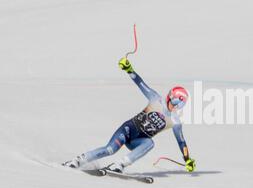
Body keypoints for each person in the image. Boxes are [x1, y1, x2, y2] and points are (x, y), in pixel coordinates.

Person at [62, 58, 196, 174]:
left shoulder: (175, 121)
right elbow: (141, 83)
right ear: (170, 97)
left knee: (150, 143)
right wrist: (129, 69)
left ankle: (120, 165)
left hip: (137, 141)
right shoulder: (156, 99)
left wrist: (187, 159)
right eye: (176, 101)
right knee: (110, 150)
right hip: (128, 130)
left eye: (180, 104)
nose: (176, 105)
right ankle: (78, 160)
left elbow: (181, 142)